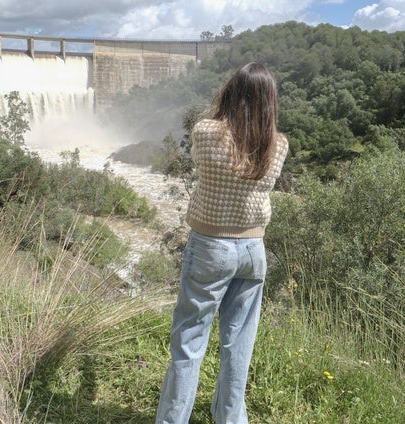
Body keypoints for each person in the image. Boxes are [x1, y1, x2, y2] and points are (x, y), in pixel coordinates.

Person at [155, 62, 289, 424]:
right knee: (238, 345)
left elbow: (203, 158)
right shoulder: (277, 144)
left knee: (189, 341)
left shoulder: (206, 132)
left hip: (210, 246)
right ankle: (230, 418)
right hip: (252, 251)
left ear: (231, 91)